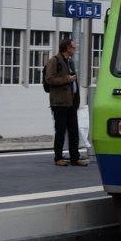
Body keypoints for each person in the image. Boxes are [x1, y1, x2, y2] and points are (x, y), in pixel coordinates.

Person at [46, 38, 88, 166]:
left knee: (74, 130)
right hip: (59, 102)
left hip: (71, 102)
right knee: (60, 131)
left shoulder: (70, 62)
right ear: (67, 48)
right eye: (73, 47)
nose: (75, 49)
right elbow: (49, 79)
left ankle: (75, 157)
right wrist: (67, 79)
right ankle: (58, 157)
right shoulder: (54, 61)